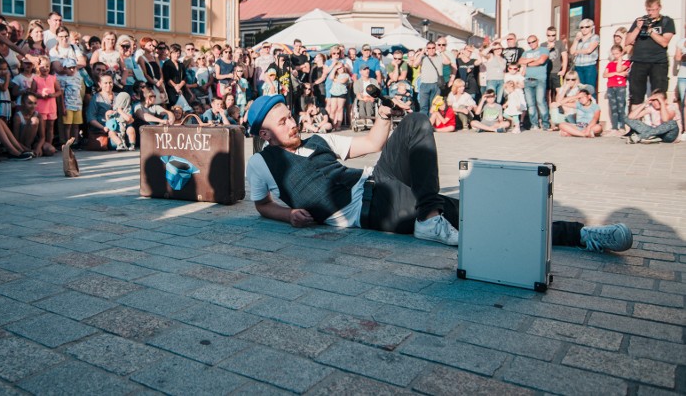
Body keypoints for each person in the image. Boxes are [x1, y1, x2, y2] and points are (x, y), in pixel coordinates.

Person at [245, 94, 634, 253]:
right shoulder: (262, 163)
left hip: (378, 183)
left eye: (290, 115)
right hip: (368, 212)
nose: (292, 123)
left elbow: (375, 144)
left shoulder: (318, 136)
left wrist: (383, 114)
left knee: (414, 121)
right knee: (477, 216)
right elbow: (262, 204)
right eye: (282, 122)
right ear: (264, 133)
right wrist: (288, 214)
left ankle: (430, 217)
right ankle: (581, 237)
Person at [625, 0, 676, 107]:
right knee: (635, 96)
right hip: (639, 61)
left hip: (658, 62)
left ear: (659, 8)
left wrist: (650, 30)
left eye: (653, 10)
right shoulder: (640, 21)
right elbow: (627, 41)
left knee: (659, 96)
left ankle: (659, 123)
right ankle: (635, 122)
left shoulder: (667, 21)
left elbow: (664, 42)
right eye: (648, 10)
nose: (651, 13)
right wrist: (638, 28)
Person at [519, 34, 550, 130]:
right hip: (528, 80)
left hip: (540, 79)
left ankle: (545, 124)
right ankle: (534, 124)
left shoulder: (544, 50)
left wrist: (527, 63)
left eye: (533, 41)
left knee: (540, 102)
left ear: (538, 40)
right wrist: (532, 59)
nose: (531, 44)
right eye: (529, 42)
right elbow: (520, 61)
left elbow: (541, 61)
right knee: (530, 104)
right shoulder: (526, 52)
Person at [409, 42, 447, 116]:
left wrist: (441, 51)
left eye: (433, 48)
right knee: (423, 106)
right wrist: (422, 52)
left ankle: (431, 124)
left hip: (436, 84)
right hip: (425, 84)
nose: (431, 50)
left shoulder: (439, 57)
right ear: (427, 49)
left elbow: (447, 61)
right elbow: (415, 64)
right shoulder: (423, 58)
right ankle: (424, 124)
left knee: (434, 107)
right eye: (429, 48)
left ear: (435, 48)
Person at [33, 56, 60, 153]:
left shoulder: (53, 78)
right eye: (43, 66)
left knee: (51, 126)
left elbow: (59, 91)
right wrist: (40, 96)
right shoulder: (35, 79)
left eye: (47, 66)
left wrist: (52, 95)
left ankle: (49, 144)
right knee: (42, 128)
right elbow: (32, 93)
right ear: (38, 67)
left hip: (51, 106)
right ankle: (42, 145)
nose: (45, 69)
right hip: (41, 107)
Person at [12, 91, 51, 157]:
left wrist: (38, 148)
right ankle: (28, 150)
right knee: (34, 120)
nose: (33, 106)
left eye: (35, 103)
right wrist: (27, 150)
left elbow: (42, 137)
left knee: (50, 150)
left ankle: (34, 151)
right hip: (21, 143)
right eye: (30, 103)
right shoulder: (18, 116)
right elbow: (15, 139)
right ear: (23, 103)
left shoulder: (38, 115)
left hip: (33, 142)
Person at [603, 45, 630, 134]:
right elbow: (605, 75)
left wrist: (620, 60)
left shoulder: (626, 62)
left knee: (621, 107)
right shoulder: (610, 64)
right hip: (611, 86)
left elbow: (620, 70)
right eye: (614, 54)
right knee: (613, 107)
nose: (615, 55)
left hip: (620, 86)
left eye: (617, 53)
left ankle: (622, 126)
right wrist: (616, 73)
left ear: (621, 53)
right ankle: (614, 126)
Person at [57, 57, 84, 145]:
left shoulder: (79, 79)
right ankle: (67, 141)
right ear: (65, 69)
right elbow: (61, 94)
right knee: (67, 125)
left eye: (73, 67)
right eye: (69, 68)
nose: (72, 70)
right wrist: (63, 107)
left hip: (78, 105)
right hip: (68, 104)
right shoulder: (63, 80)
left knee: (76, 125)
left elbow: (80, 92)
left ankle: (75, 141)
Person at [570, 19, 600, 91]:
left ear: (592, 27)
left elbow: (589, 50)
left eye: (587, 27)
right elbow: (571, 51)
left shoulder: (594, 37)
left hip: (589, 66)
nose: (584, 29)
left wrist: (577, 51)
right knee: (580, 90)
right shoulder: (579, 39)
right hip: (578, 66)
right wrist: (576, 40)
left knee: (590, 89)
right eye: (582, 27)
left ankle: (592, 102)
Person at [545, 26, 568, 103]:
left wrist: (563, 70)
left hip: (557, 71)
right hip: (547, 72)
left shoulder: (559, 43)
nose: (551, 37)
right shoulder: (543, 45)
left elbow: (564, 56)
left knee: (559, 90)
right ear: (546, 35)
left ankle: (558, 107)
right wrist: (548, 49)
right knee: (548, 92)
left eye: (553, 35)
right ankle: (550, 110)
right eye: (549, 35)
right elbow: (541, 57)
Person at [675, 21, 686, 127]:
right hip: (683, 75)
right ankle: (684, 127)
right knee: (683, 102)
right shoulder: (681, 42)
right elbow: (678, 57)